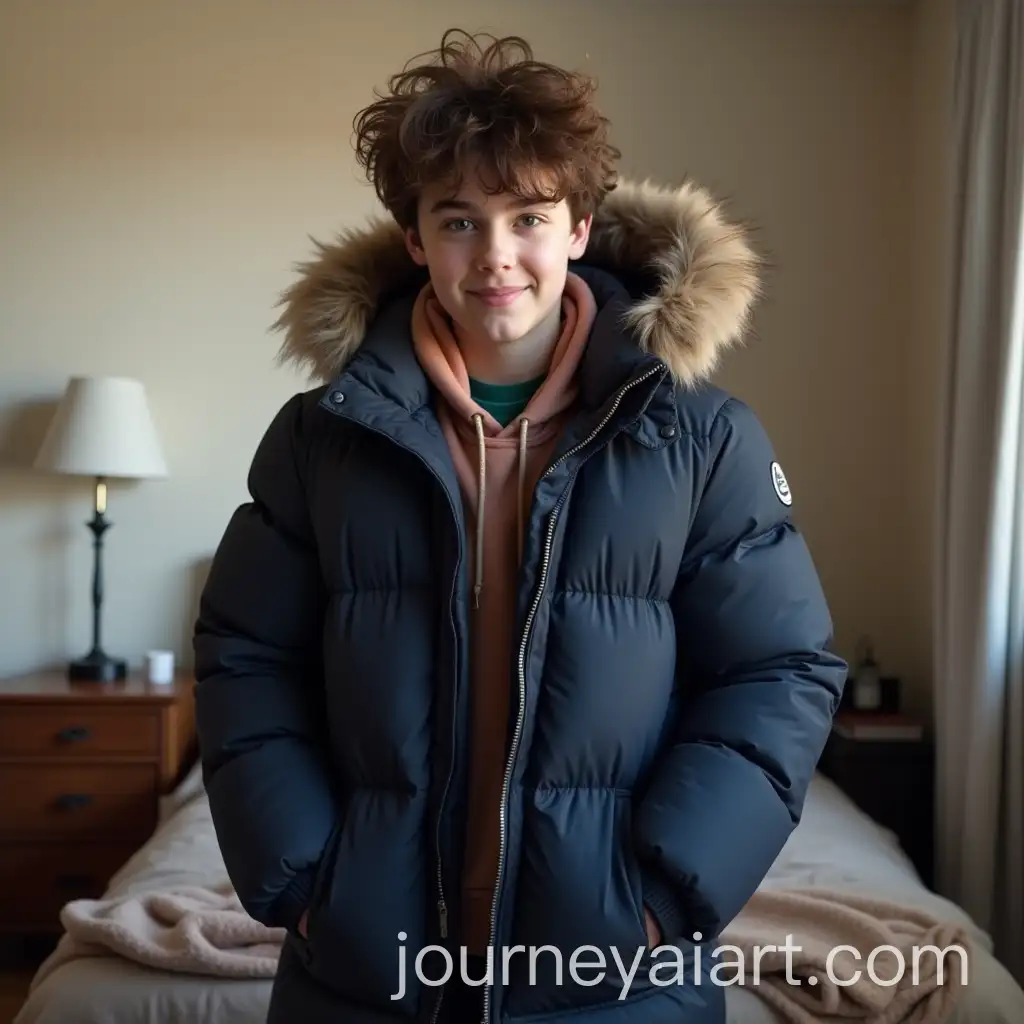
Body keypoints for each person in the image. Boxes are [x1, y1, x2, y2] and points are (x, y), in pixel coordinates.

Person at [193, 29, 847, 1024]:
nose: (494, 255)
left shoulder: (701, 438)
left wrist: (665, 898)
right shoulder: (318, 440)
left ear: (579, 226)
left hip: (617, 974)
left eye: (527, 217)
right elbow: (246, 656)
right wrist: (306, 883)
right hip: (366, 971)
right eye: (457, 220)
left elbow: (778, 669)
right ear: (414, 237)